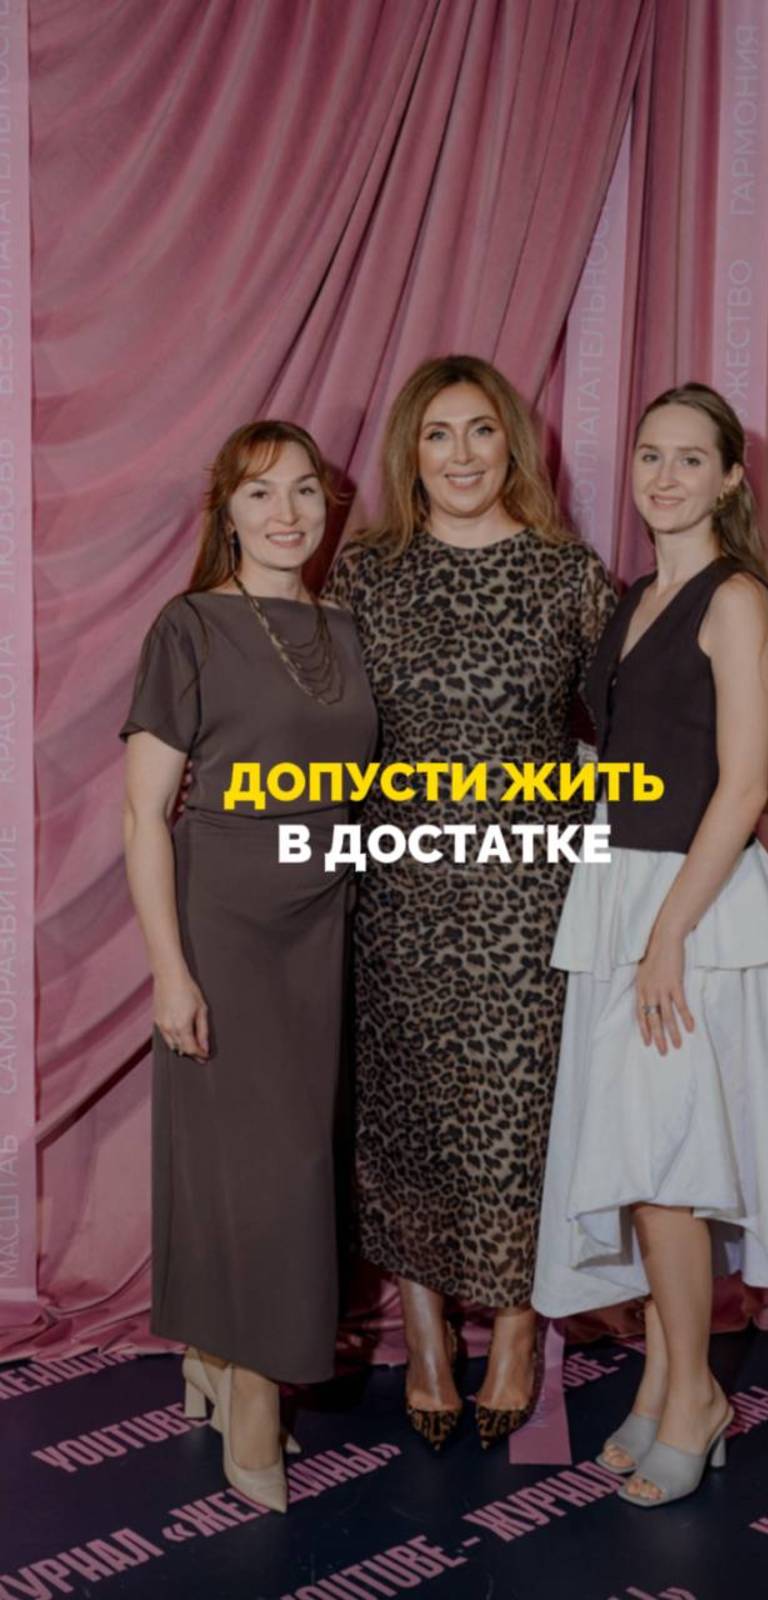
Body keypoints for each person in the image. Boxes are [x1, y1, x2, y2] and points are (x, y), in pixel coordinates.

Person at [533, 382, 768, 1507]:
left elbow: (744, 786)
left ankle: (697, 1397)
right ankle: (662, 1386)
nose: (664, 476)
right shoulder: (634, 597)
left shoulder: (735, 597)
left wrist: (666, 937)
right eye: (650, 455)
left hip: (690, 906)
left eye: (690, 458)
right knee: (648, 1164)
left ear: (730, 478)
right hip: (621, 890)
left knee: (666, 1171)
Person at [324, 354, 616, 1448]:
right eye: (438, 433)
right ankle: (427, 1336)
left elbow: (632, 718)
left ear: (513, 447)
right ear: (411, 451)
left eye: (481, 431)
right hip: (397, 888)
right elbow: (318, 721)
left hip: (530, 894)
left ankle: (522, 1331)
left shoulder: (565, 572)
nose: (460, 455)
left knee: (520, 1116)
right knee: (407, 1112)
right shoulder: (368, 573)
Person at [121, 421, 377, 1511]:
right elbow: (143, 814)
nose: (287, 513)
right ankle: (255, 1388)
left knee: (299, 1162)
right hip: (224, 916)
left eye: (304, 491)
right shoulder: (188, 625)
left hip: (328, 916)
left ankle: (217, 1352)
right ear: (225, 510)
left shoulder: (348, 626)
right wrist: (169, 971)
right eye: (261, 493)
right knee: (251, 1162)